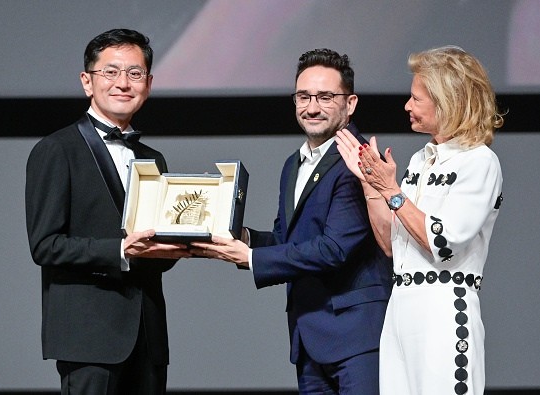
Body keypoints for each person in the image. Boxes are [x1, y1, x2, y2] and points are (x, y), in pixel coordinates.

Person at [190, 49, 393, 394]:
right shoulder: (293, 164)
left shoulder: (359, 161)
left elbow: (333, 249)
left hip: (356, 338)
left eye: (326, 97)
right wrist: (242, 237)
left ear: (351, 103)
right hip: (309, 336)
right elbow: (289, 238)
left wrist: (250, 258)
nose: (312, 107)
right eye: (303, 96)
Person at [25, 29, 191, 395]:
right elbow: (46, 246)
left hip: (147, 337)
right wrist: (120, 250)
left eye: (134, 74)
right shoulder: (56, 150)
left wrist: (184, 242)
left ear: (148, 84)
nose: (123, 83)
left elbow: (153, 249)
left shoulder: (153, 158)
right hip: (88, 340)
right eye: (110, 72)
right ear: (87, 82)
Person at [336, 45, 504, 395]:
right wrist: (370, 183)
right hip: (401, 309)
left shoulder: (479, 162)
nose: (407, 106)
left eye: (416, 98)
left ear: (448, 102)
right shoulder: (419, 160)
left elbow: (441, 242)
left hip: (443, 310)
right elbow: (389, 243)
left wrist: (392, 191)